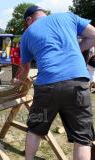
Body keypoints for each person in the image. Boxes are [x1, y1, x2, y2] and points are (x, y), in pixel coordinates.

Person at [12, 5, 95, 160]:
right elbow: (93, 35)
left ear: (29, 19)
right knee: (82, 138)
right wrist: (77, 49)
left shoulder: (27, 34)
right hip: (78, 82)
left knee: (35, 129)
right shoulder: (68, 17)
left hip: (47, 86)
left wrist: (17, 81)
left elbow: (25, 67)